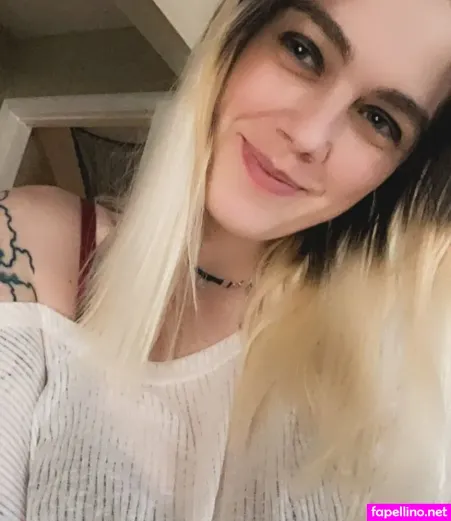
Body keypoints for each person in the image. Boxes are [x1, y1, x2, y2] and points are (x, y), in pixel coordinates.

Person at [1, 0, 451, 518]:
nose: (309, 136)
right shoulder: (29, 246)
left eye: (378, 119)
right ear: (238, 36)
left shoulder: (389, 368)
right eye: (304, 52)